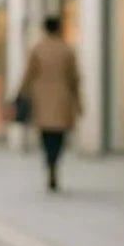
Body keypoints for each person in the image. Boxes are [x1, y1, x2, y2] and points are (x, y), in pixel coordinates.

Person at [20, 16, 81, 191]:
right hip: (62, 99)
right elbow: (74, 78)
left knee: (46, 135)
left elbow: (28, 74)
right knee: (59, 136)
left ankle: (49, 163)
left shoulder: (37, 49)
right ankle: (55, 162)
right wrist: (78, 101)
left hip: (42, 99)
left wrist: (21, 93)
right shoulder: (67, 50)